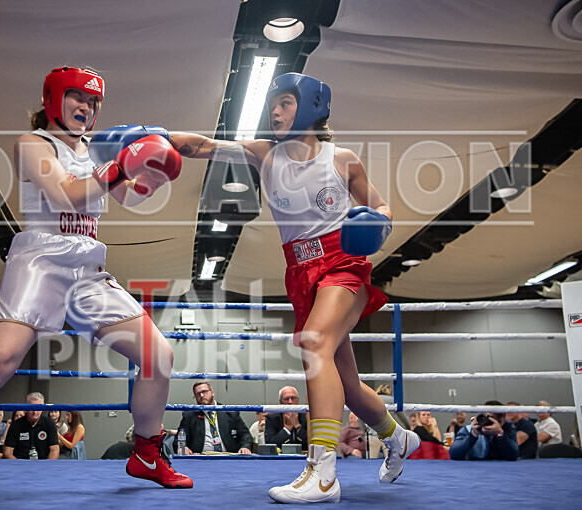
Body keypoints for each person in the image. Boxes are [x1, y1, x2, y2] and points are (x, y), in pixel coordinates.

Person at [0, 66, 191, 503]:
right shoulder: (32, 144)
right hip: (41, 259)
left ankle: (147, 453)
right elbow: (66, 193)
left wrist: (153, 174)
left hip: (88, 264)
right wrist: (123, 165)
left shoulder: (98, 150)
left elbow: (130, 195)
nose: (87, 108)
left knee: (158, 354)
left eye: (94, 102)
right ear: (53, 100)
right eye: (78, 98)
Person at [117, 71, 418, 502]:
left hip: (343, 263)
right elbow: (200, 146)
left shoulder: (342, 158)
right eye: (272, 103)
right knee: (344, 382)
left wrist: (380, 224)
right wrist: (150, 135)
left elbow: (380, 204)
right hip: (299, 273)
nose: (274, 110)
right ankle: (397, 437)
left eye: (285, 102)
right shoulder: (265, 155)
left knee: (314, 345)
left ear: (312, 106)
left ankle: (324, 473)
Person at [176, 381, 252, 454]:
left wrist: (245, 447)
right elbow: (178, 439)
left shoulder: (229, 412)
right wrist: (183, 447)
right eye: (198, 394)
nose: (202, 395)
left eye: (204, 392)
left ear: (212, 392)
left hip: (228, 456)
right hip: (200, 458)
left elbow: (245, 435)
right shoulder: (189, 415)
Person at [449, 400, 518, 461]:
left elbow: (513, 456)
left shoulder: (508, 427)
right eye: (490, 418)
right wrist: (473, 434)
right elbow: (454, 454)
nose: (494, 423)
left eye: (498, 420)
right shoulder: (472, 427)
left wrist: (500, 434)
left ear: (504, 418)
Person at [1, 393, 59, 460]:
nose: (35, 412)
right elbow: (7, 452)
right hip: (20, 463)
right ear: (26, 408)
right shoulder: (16, 425)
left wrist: (47, 466)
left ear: (42, 408)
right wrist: (18, 465)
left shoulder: (49, 423)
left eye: (38, 408)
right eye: (32, 408)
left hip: (43, 464)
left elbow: (54, 450)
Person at [265, 386, 307, 451]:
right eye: (286, 399)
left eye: (293, 398)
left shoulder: (306, 416)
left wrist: (297, 426)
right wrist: (287, 429)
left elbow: (310, 443)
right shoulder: (272, 417)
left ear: (298, 400)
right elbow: (270, 445)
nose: (290, 402)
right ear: (281, 402)